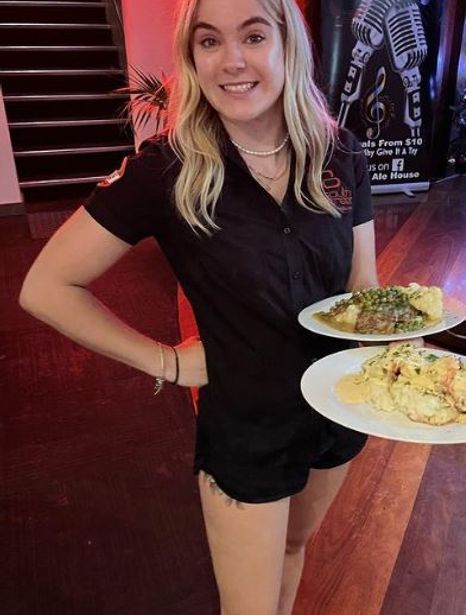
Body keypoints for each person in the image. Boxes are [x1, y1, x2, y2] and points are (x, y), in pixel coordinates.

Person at [19, 0, 379, 613]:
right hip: (248, 430)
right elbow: (46, 287)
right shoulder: (167, 168)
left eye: (254, 35)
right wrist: (168, 361)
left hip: (341, 408)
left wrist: (402, 345)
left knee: (294, 548)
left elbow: (362, 284)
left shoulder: (337, 150)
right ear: (191, 57)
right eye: (209, 42)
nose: (231, 61)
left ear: (289, 45)